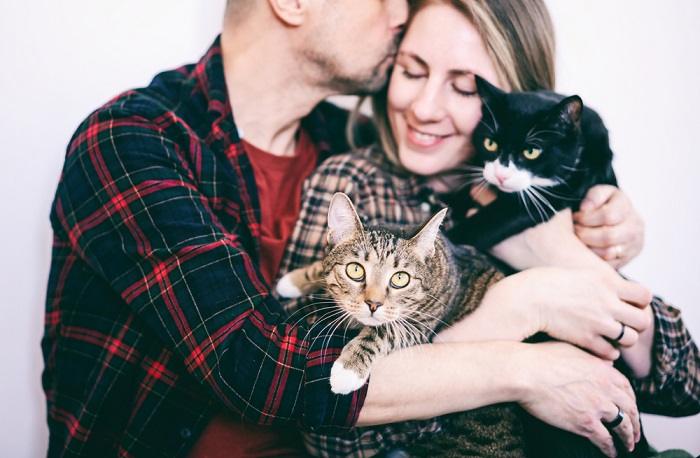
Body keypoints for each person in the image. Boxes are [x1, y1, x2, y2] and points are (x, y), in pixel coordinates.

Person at [277, 0, 700, 456]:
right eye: (412, 72)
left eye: (463, 88)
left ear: (513, 100)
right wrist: (519, 322)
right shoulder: (354, 184)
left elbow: (683, 385)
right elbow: (323, 418)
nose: (424, 107)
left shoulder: (534, 194)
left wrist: (563, 255)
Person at [42, 1, 410, 456]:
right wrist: (519, 370)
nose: (401, 15)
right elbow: (257, 368)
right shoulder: (131, 139)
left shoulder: (359, 149)